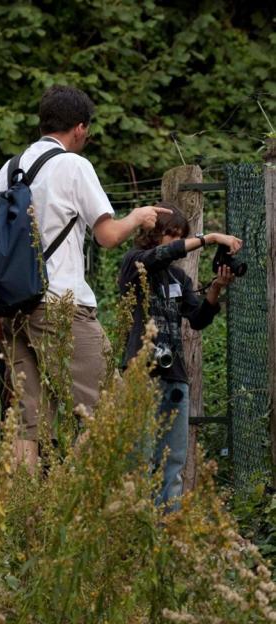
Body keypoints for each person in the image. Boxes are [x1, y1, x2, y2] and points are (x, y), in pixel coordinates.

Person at [0, 84, 172, 468]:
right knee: (109, 408)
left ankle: (28, 517)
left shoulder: (8, 169)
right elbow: (108, 236)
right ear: (80, 127)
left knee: (27, 423)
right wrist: (136, 216)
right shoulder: (73, 165)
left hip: (13, 309)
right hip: (60, 305)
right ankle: (84, 504)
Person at [119, 203, 242, 510]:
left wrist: (215, 288)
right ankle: (138, 526)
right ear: (152, 234)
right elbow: (161, 255)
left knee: (173, 457)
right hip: (141, 372)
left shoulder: (179, 278)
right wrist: (210, 238)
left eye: (178, 234)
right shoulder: (135, 263)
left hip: (174, 375)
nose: (174, 240)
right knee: (141, 454)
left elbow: (198, 318)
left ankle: (168, 530)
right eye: (169, 233)